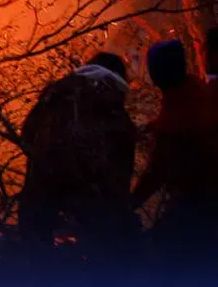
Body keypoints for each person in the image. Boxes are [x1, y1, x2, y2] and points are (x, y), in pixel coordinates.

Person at [17, 52, 138, 256]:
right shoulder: (115, 111)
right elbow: (121, 168)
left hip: (41, 195)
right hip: (90, 205)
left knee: (35, 257)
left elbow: (27, 135)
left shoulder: (55, 93)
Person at [133, 39, 218, 263]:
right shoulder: (200, 91)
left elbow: (156, 173)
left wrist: (128, 204)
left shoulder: (173, 125)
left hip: (197, 210)